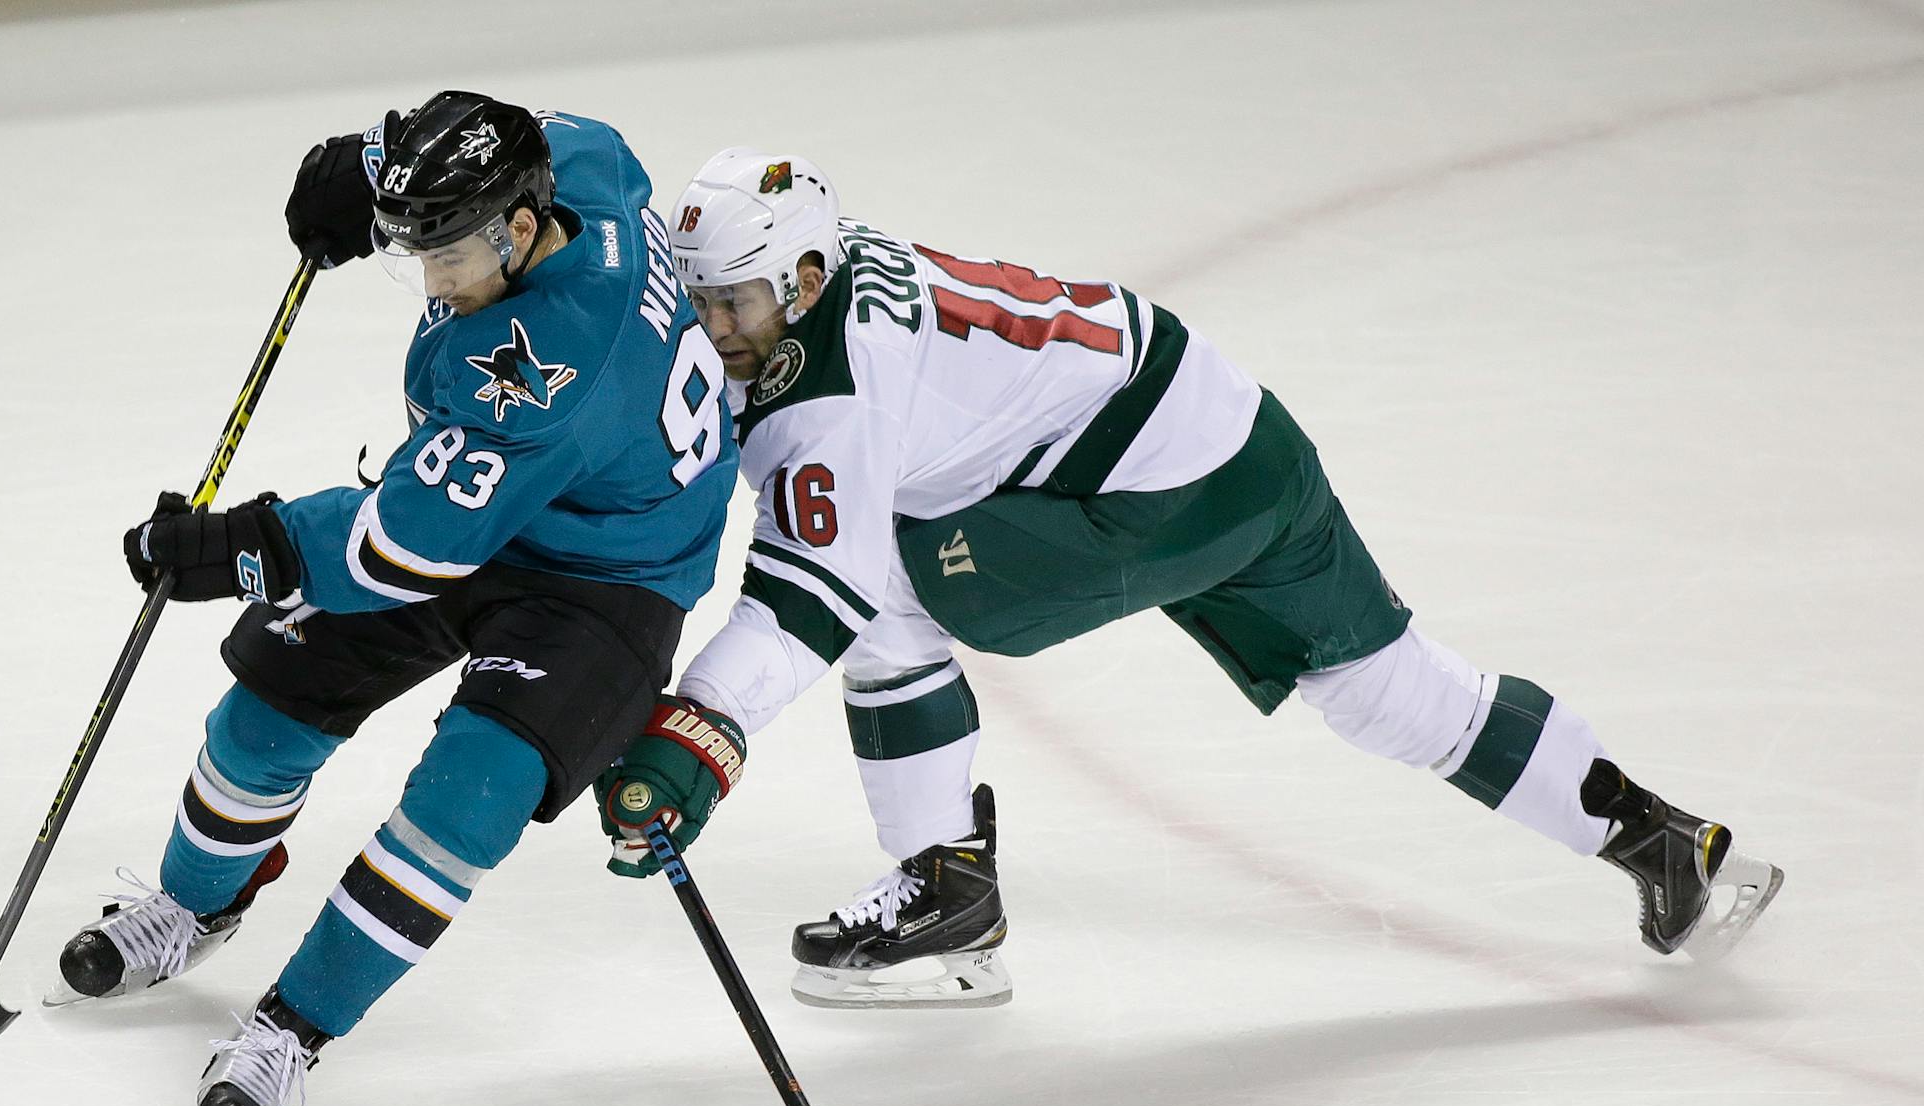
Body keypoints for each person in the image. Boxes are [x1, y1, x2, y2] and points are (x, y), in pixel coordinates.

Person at [590, 148, 1784, 1010]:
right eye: (697, 297)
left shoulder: (833, 386)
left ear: (801, 280)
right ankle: (1667, 843)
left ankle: (944, 886)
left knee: (882, 590)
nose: (713, 323)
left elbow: (812, 591)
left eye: (732, 302)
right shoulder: (832, 281)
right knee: (1392, 693)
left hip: (1141, 490)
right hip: (1235, 433)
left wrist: (699, 730)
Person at [51, 93, 736, 1106]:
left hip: (609, 578)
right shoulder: (578, 159)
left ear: (518, 229)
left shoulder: (552, 361)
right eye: (414, 248)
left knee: (469, 797)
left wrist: (243, 545)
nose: (430, 278)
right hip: (505, 502)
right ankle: (194, 906)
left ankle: (292, 1028)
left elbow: (401, 548)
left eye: (449, 251)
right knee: (264, 719)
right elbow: (485, 128)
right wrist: (371, 169)